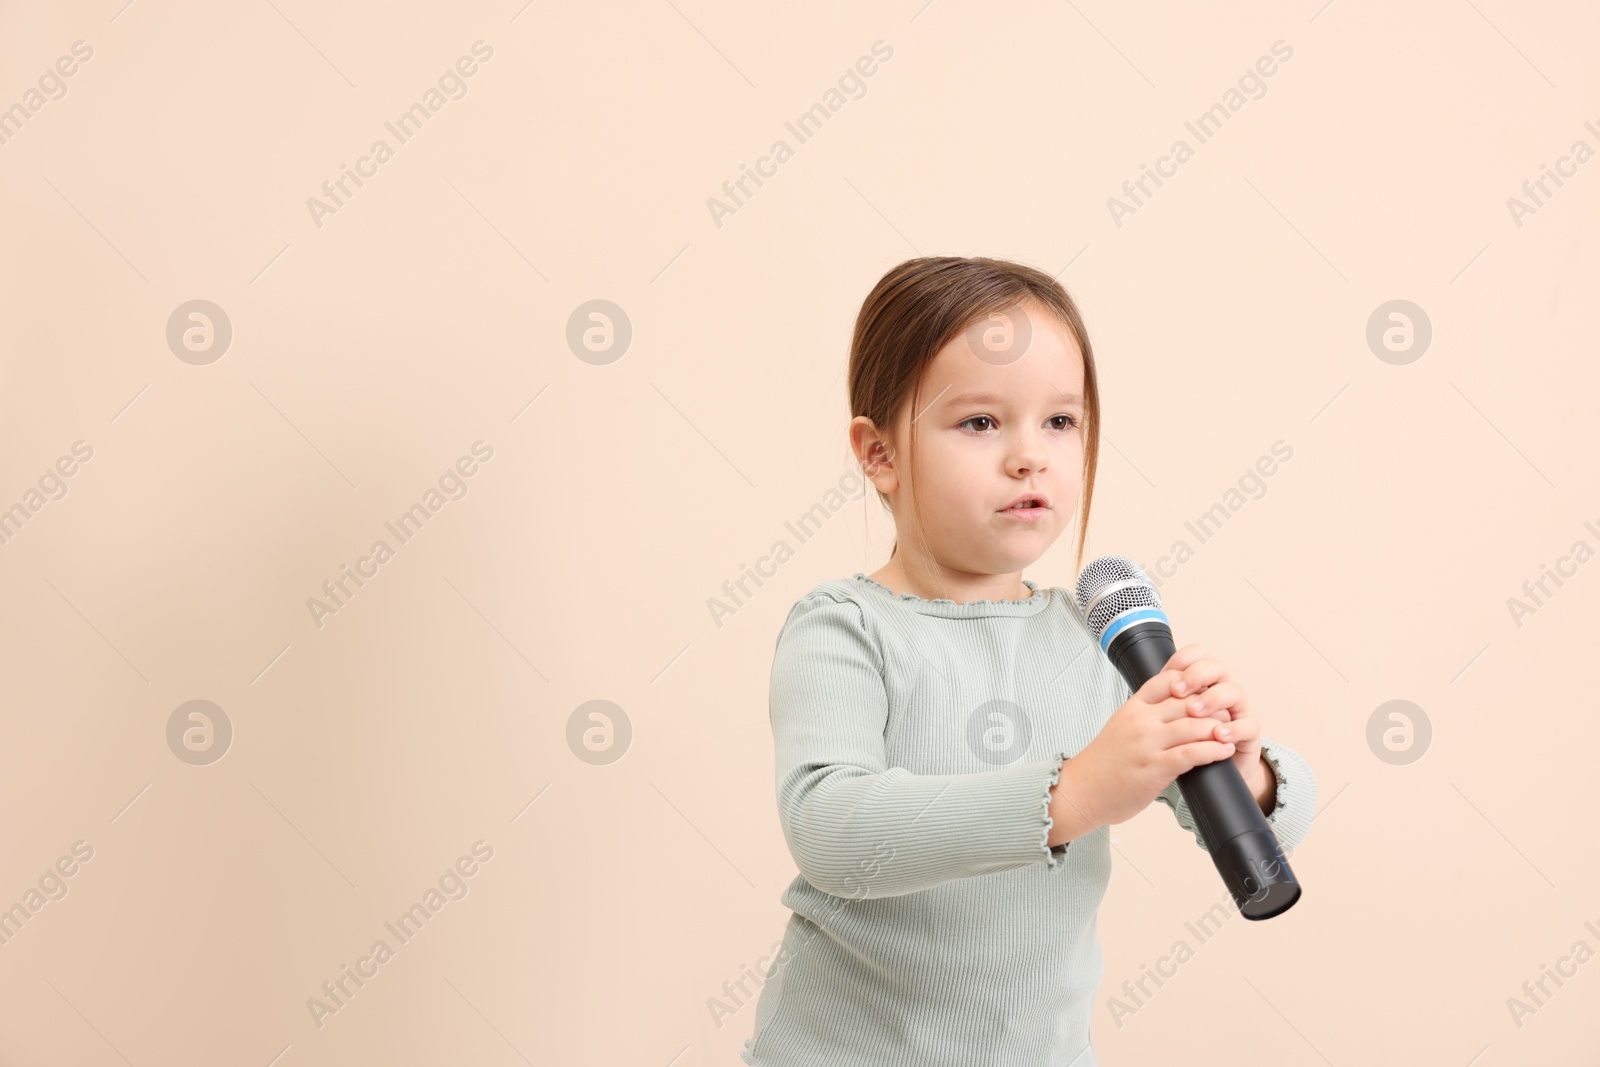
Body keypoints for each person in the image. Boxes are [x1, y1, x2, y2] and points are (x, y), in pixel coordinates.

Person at [739, 256, 1316, 1066]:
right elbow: (832, 831)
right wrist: (1071, 792)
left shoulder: (1095, 638)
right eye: (980, 422)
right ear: (879, 454)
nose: (1029, 456)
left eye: (1060, 422)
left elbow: (1246, 819)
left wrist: (1246, 772)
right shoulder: (845, 628)